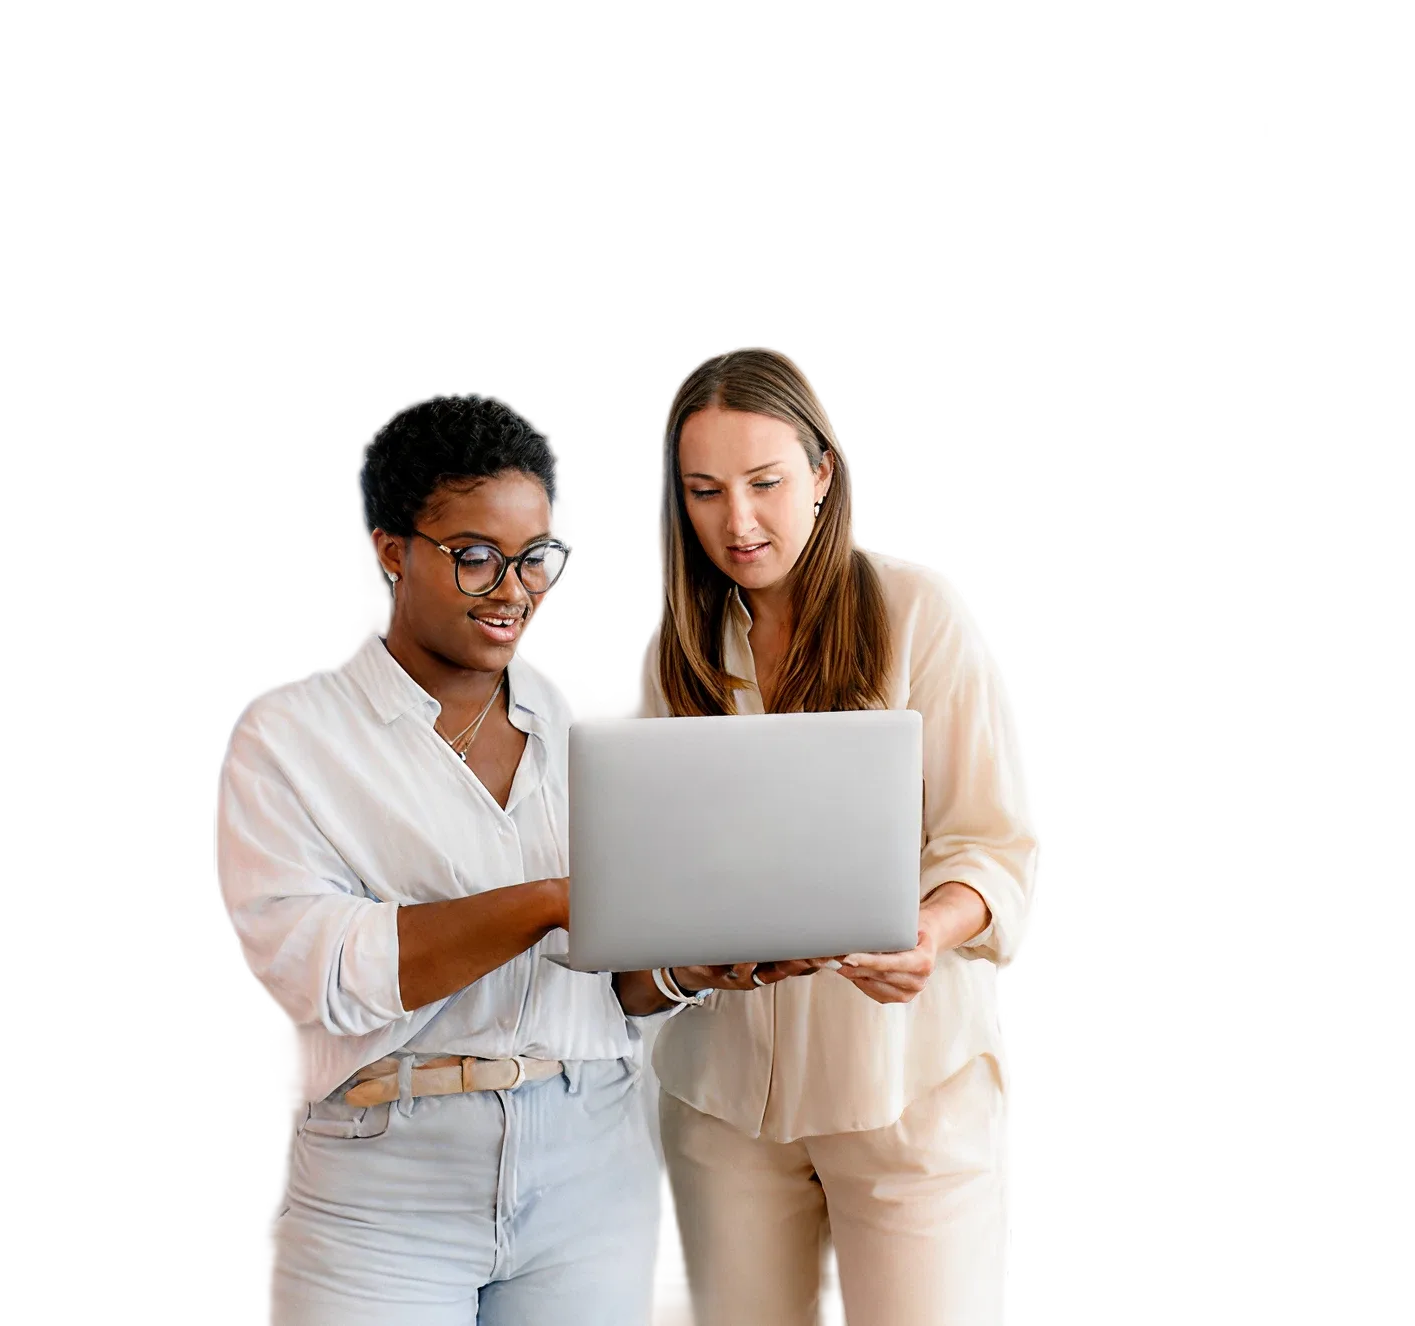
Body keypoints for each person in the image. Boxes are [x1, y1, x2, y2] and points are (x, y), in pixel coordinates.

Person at [603, 346, 1039, 1326]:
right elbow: (657, 860)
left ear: (822, 475)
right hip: (724, 1102)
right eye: (705, 492)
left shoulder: (919, 613)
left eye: (764, 484)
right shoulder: (681, 653)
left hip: (905, 1090)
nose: (738, 523)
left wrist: (927, 932)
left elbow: (994, 845)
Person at [215, 392, 664, 1326]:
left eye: (537, 558)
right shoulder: (290, 737)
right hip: (382, 1185)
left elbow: (614, 981)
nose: (514, 590)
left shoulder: (584, 723)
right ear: (390, 551)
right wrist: (544, 901)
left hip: (592, 1162)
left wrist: (690, 965)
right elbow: (321, 973)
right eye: (475, 558)